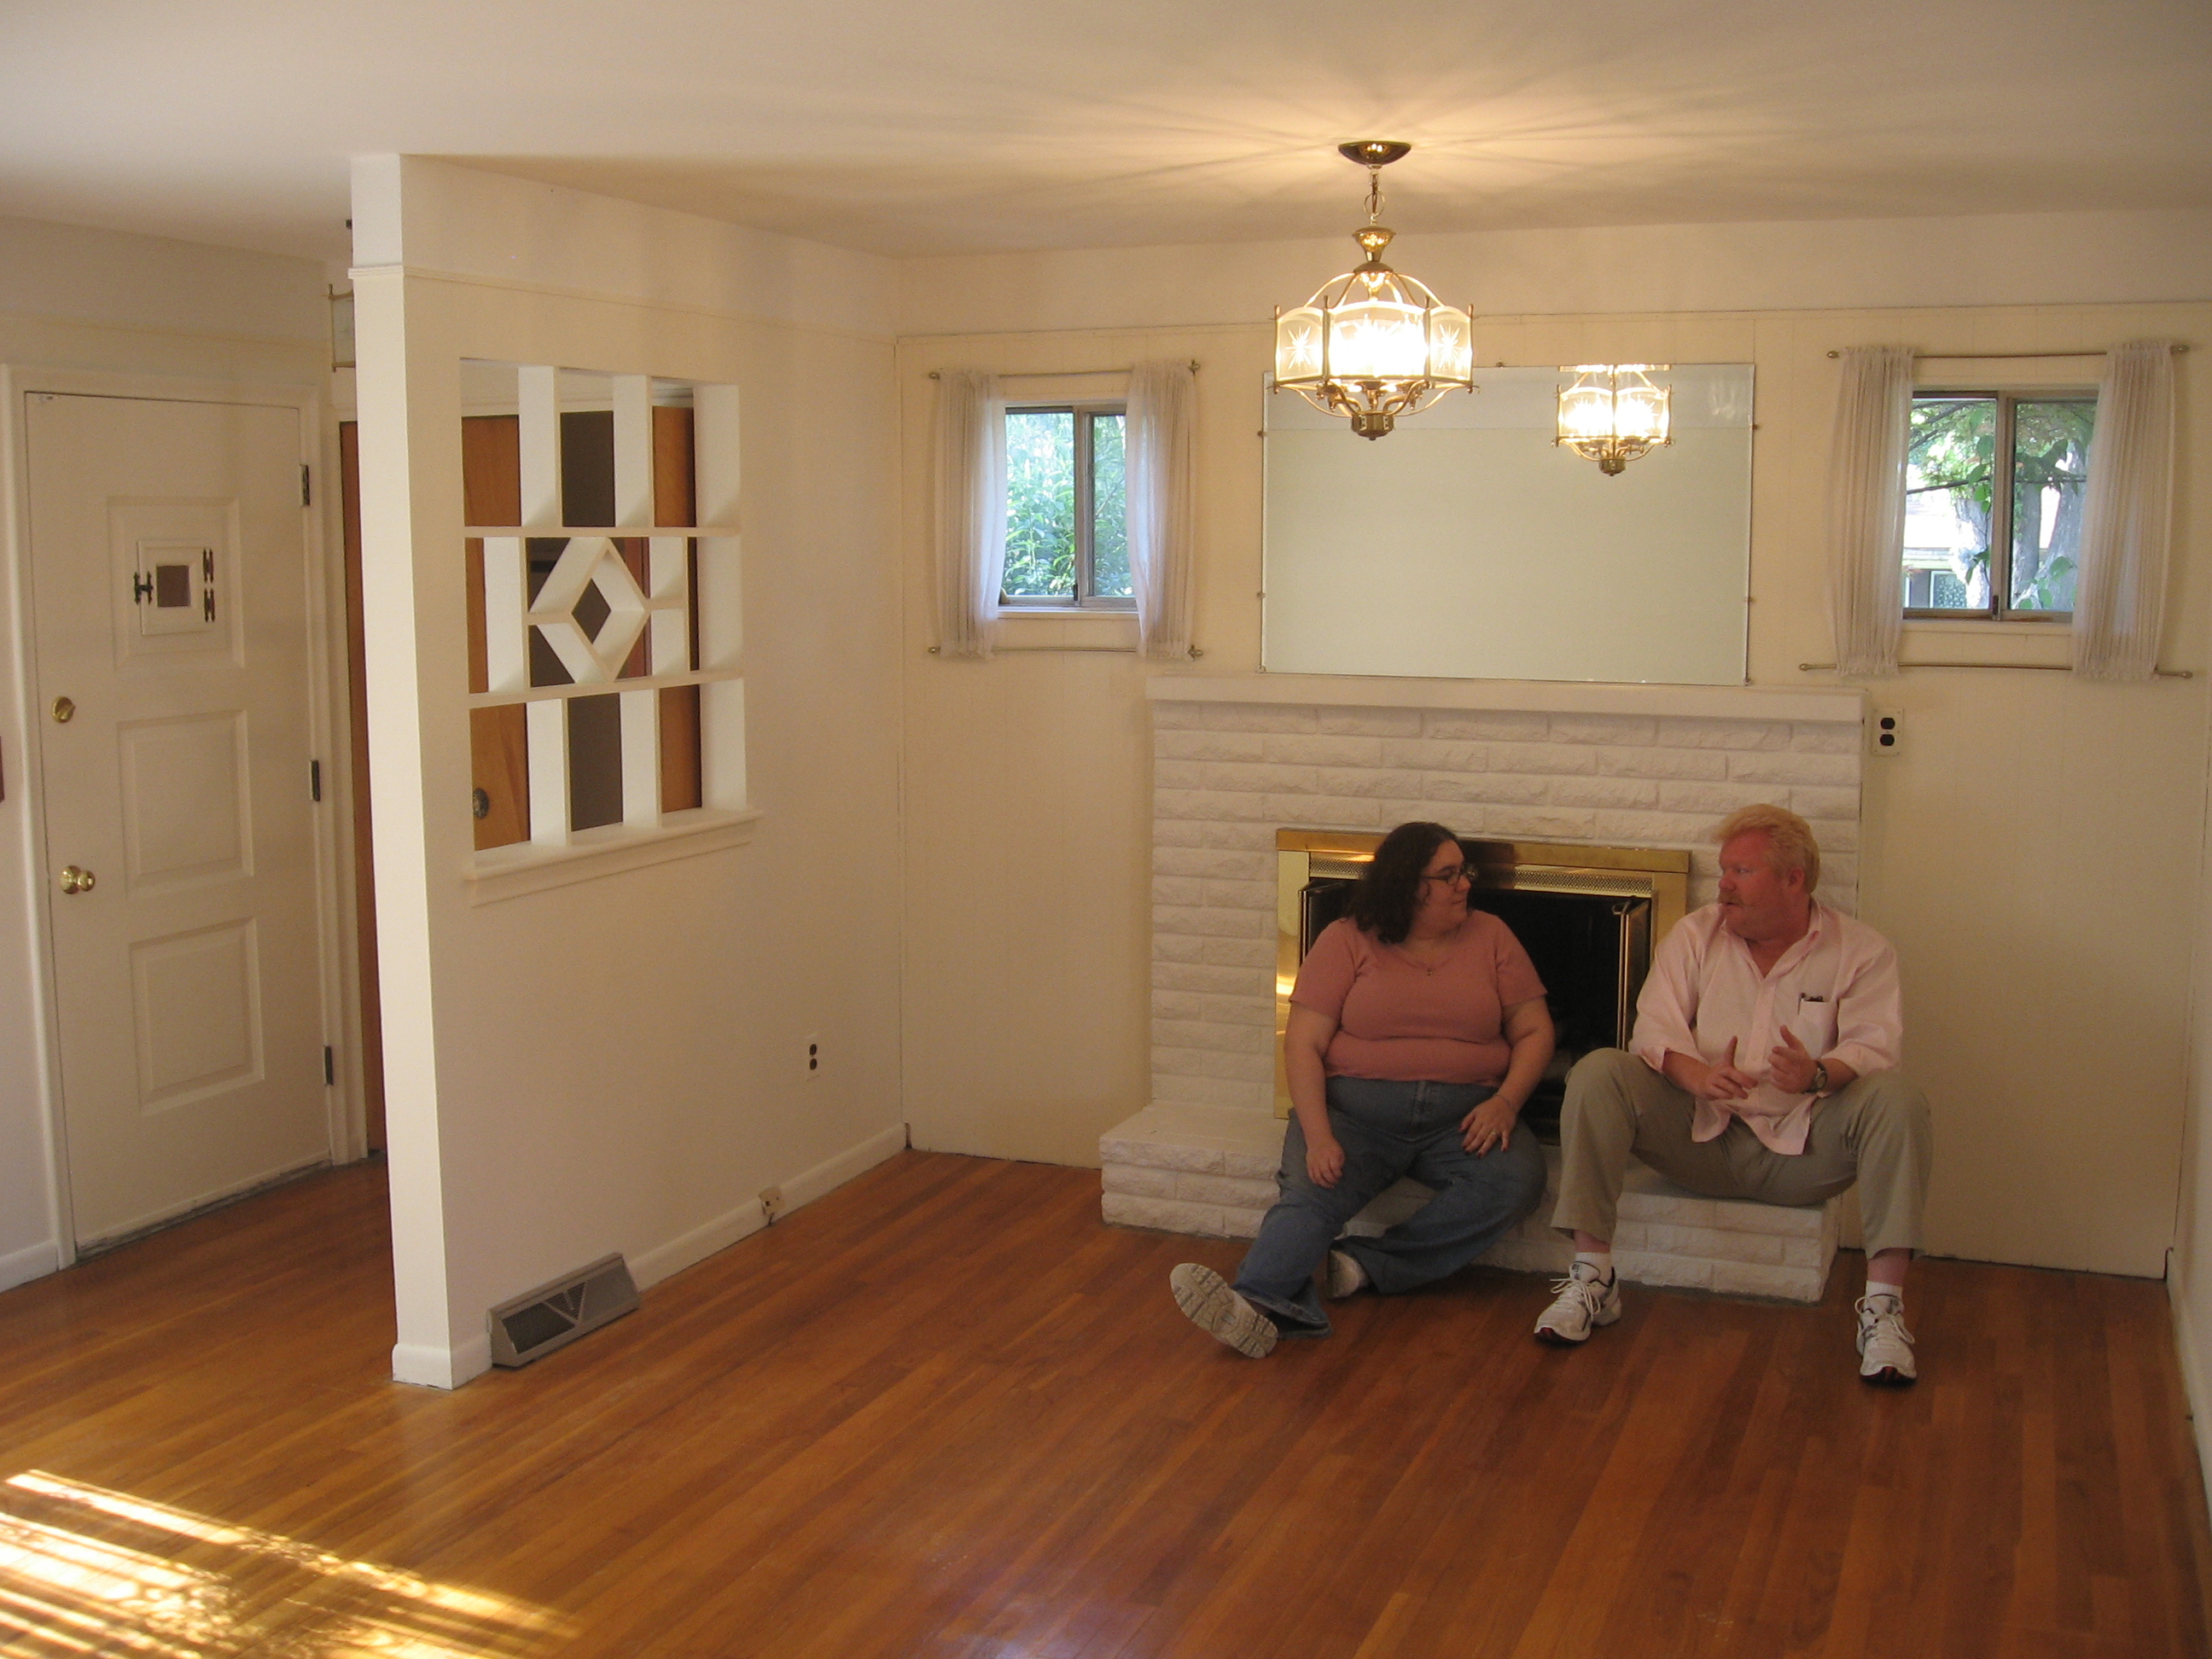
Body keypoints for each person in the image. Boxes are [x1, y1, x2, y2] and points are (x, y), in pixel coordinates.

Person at [1532, 804, 1933, 1383]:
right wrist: (1697, 1076)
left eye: (1741, 872)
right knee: (1598, 1073)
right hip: (1699, 1138)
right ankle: (1594, 1277)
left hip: (1804, 1149)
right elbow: (1653, 1029)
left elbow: (1875, 1047)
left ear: (1793, 879)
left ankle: (1883, 1310)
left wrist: (1818, 1075)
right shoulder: (1696, 934)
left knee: (1898, 1100)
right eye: (1724, 870)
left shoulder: (1862, 950)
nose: (1723, 885)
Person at [1171, 822, 1555, 1358]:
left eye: (1463, 871)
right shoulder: (1346, 939)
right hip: (1355, 1114)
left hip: (1462, 1119)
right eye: (1448, 875)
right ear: (1407, 884)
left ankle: (1364, 1264)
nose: (1465, 883)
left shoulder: (1491, 936)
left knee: (1516, 1182)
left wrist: (1506, 1102)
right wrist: (1320, 1136)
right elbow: (1303, 1043)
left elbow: (1535, 1031)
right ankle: (1253, 1305)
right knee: (1311, 1195)